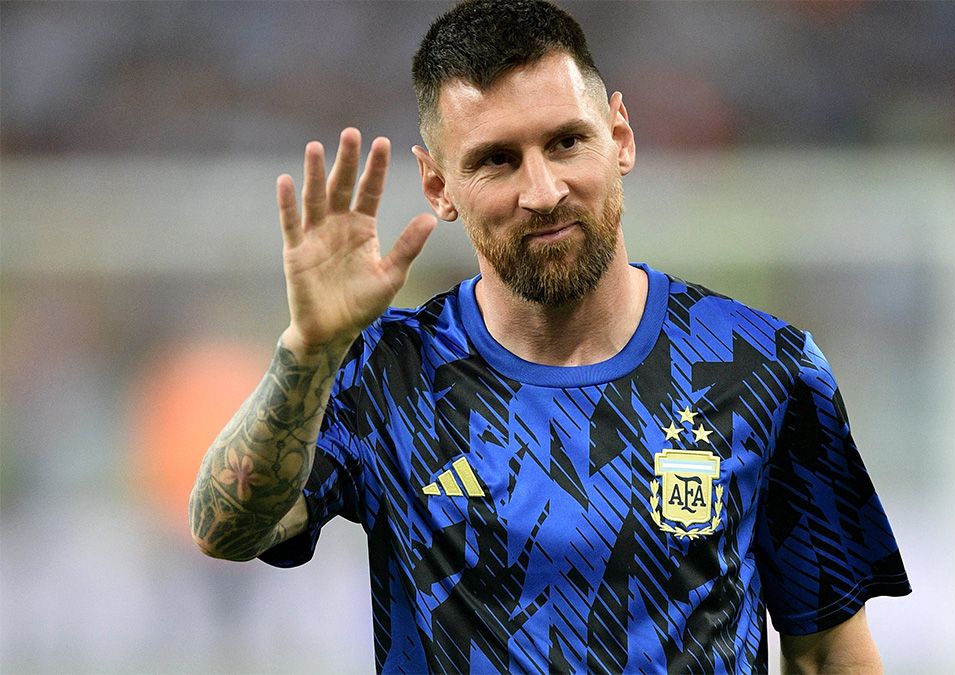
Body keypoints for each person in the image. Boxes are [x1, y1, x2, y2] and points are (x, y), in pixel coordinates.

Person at [189, 1, 911, 672]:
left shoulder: (764, 369)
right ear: (438, 187)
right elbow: (225, 530)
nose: (542, 191)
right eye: (496, 160)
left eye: (566, 142)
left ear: (619, 137)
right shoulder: (384, 372)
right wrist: (309, 351)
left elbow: (830, 656)